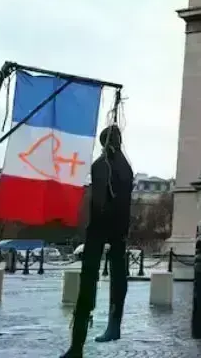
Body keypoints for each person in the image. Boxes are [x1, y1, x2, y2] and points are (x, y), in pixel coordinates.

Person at [60, 124, 133, 358]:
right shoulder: (126, 167)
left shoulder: (101, 166)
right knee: (119, 277)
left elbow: (99, 203)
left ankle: (77, 344)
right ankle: (114, 325)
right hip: (120, 230)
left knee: (88, 283)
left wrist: (98, 228)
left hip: (100, 230)